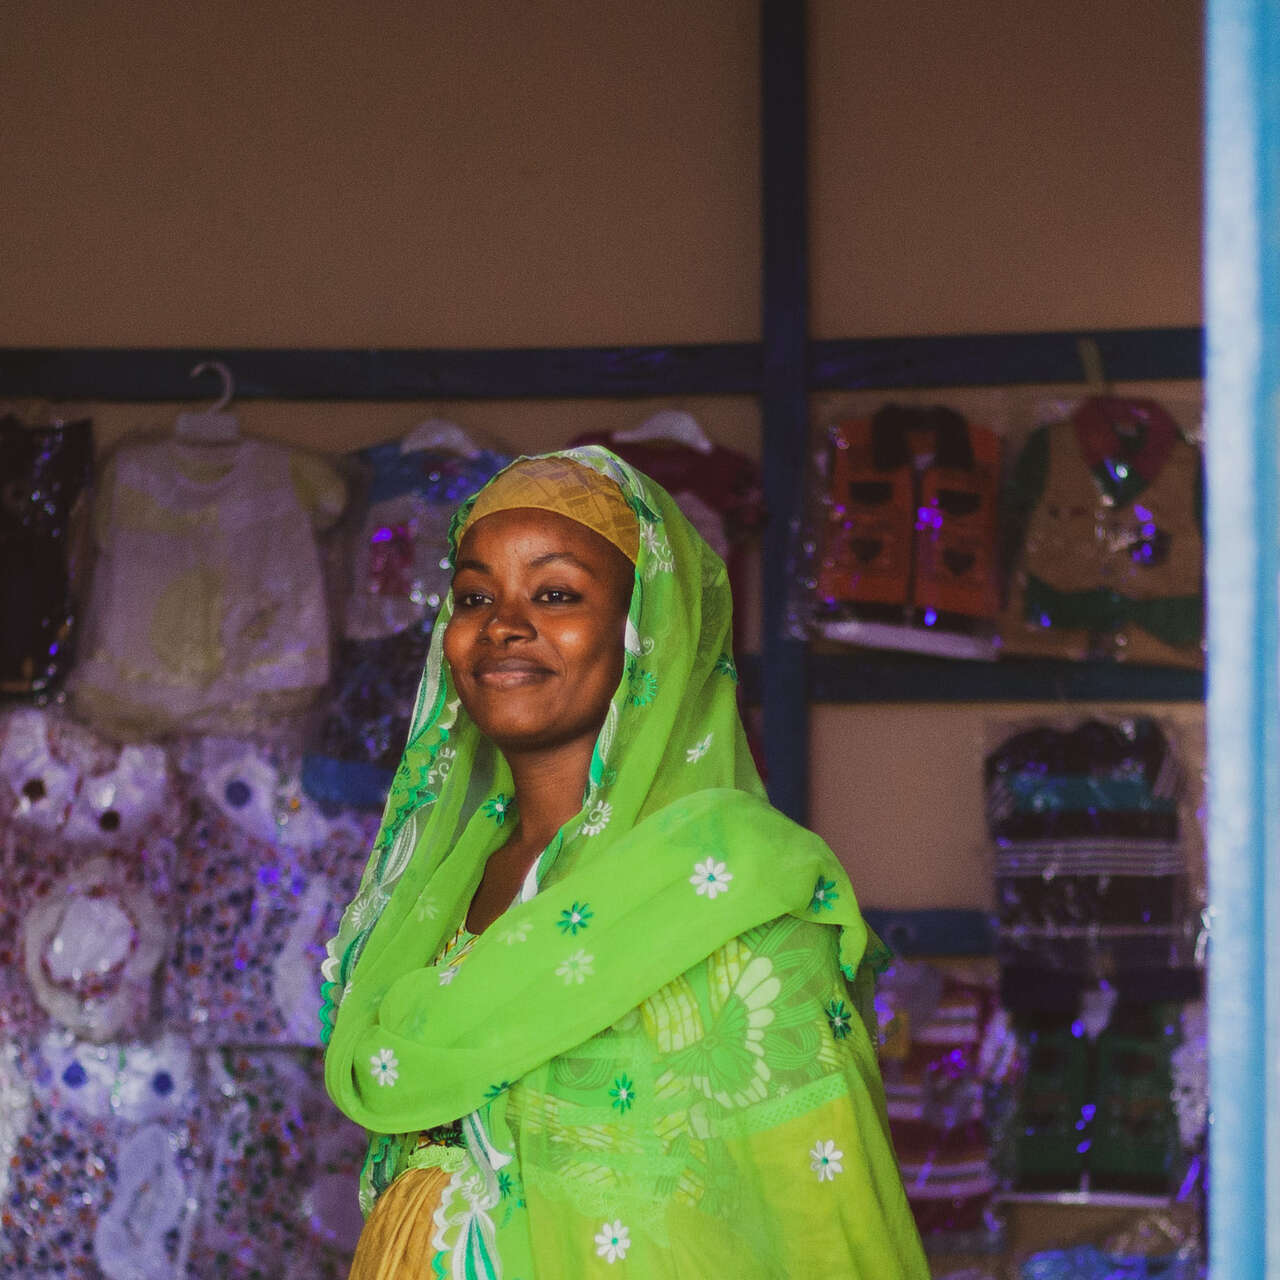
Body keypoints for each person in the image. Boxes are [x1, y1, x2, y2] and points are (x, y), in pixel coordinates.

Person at [321, 447, 929, 1278]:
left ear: (647, 632)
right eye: (473, 596)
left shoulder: (736, 905)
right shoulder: (431, 890)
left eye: (557, 593)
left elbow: (828, 1228)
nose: (503, 623)